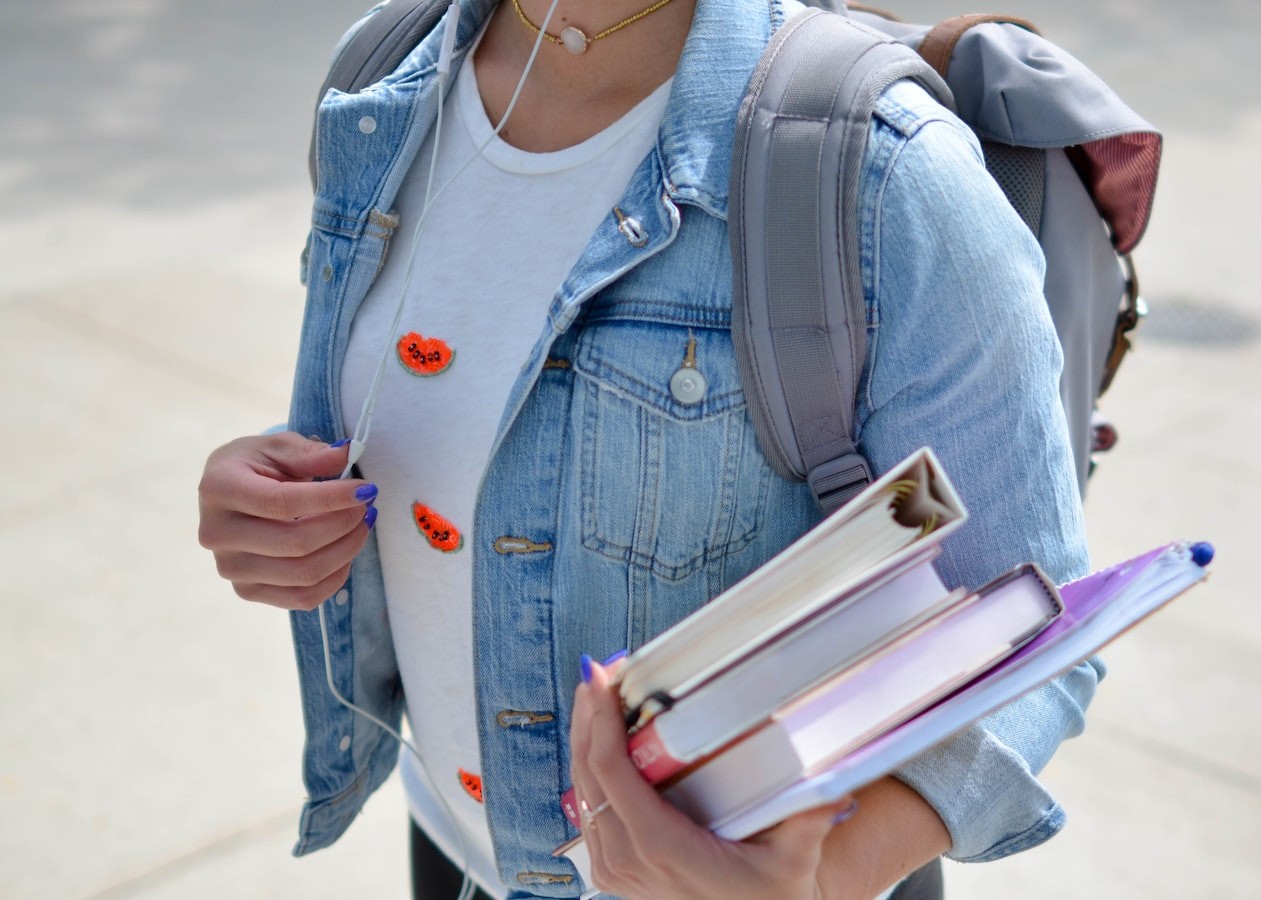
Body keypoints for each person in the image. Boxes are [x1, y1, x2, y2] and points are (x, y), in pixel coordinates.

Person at [196, 0, 1103, 896]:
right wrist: (273, 506)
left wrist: (822, 878)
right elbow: (397, 424)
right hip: (452, 843)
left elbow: (1029, 622)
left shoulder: (884, 171)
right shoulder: (383, 79)